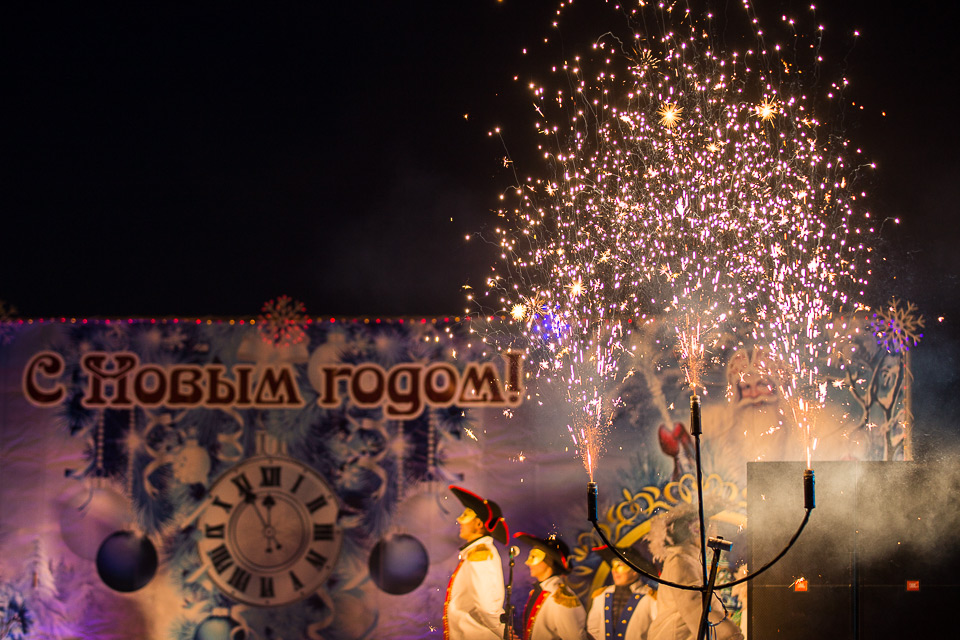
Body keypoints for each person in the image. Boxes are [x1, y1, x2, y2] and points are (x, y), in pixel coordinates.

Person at [644, 506, 743, 640]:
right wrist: (729, 633)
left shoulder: (690, 561)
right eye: (710, 528)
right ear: (695, 530)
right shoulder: (681, 561)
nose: (713, 534)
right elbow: (695, 606)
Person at [444, 485, 510, 640]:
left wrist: (501, 630)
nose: (459, 520)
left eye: (466, 516)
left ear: (479, 524)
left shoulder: (481, 555)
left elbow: (487, 604)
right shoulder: (474, 553)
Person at [514, 532, 587, 640]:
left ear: (548, 560)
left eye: (534, 557)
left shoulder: (559, 598)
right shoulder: (542, 592)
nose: (527, 563)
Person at [587, 545, 658, 640]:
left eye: (620, 566)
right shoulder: (601, 596)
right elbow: (593, 630)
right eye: (613, 566)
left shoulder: (651, 599)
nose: (614, 571)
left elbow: (657, 632)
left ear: (635, 570)